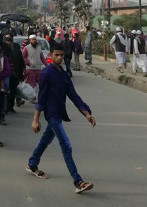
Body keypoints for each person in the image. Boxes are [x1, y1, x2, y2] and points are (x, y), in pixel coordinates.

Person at [27, 42, 96, 194]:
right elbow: (42, 97)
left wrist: (86, 113)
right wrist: (35, 119)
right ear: (50, 56)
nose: (59, 58)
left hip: (59, 113)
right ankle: (78, 182)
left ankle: (32, 163)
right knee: (66, 145)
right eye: (56, 55)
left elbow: (73, 95)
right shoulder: (46, 73)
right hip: (51, 114)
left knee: (46, 139)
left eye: (61, 55)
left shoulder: (63, 74)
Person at [22, 35, 48, 103]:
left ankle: (37, 97)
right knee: (31, 84)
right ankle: (32, 98)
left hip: (38, 69)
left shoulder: (39, 48)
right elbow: (23, 57)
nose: (34, 41)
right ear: (30, 40)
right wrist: (28, 62)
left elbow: (42, 58)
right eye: (32, 40)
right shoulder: (26, 48)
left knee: (39, 84)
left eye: (35, 39)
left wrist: (47, 65)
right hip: (30, 69)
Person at [3, 32, 25, 113]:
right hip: (5, 73)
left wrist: (22, 69)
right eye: (6, 39)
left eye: (9, 39)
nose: (8, 41)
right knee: (5, 91)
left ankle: (10, 107)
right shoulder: (3, 48)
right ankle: (4, 109)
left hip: (15, 72)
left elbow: (20, 59)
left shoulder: (16, 46)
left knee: (13, 91)